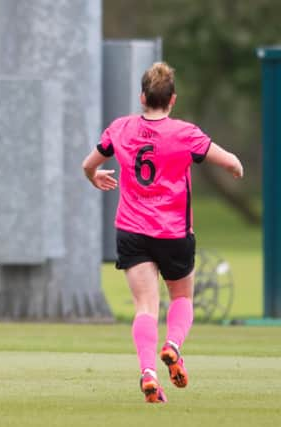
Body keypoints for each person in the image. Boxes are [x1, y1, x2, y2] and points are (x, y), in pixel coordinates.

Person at [81, 61, 243, 403]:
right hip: (173, 232)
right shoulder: (186, 133)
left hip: (131, 230)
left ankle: (148, 373)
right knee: (182, 298)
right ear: (172, 100)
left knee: (145, 307)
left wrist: (94, 177)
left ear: (142, 97)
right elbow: (227, 161)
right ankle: (172, 346)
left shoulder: (121, 128)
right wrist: (236, 166)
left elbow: (88, 164)